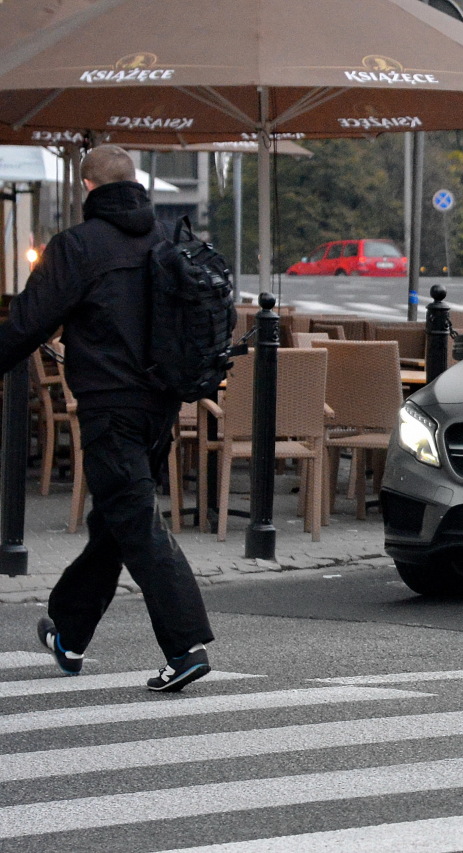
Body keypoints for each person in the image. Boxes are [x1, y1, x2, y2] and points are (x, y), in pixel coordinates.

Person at [0, 145, 214, 692]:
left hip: (110, 405)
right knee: (117, 519)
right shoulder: (169, 238)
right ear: (135, 182)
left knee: (135, 521)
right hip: (162, 403)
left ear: (88, 187)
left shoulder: (77, 246)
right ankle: (69, 633)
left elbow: (28, 322)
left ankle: (185, 646)